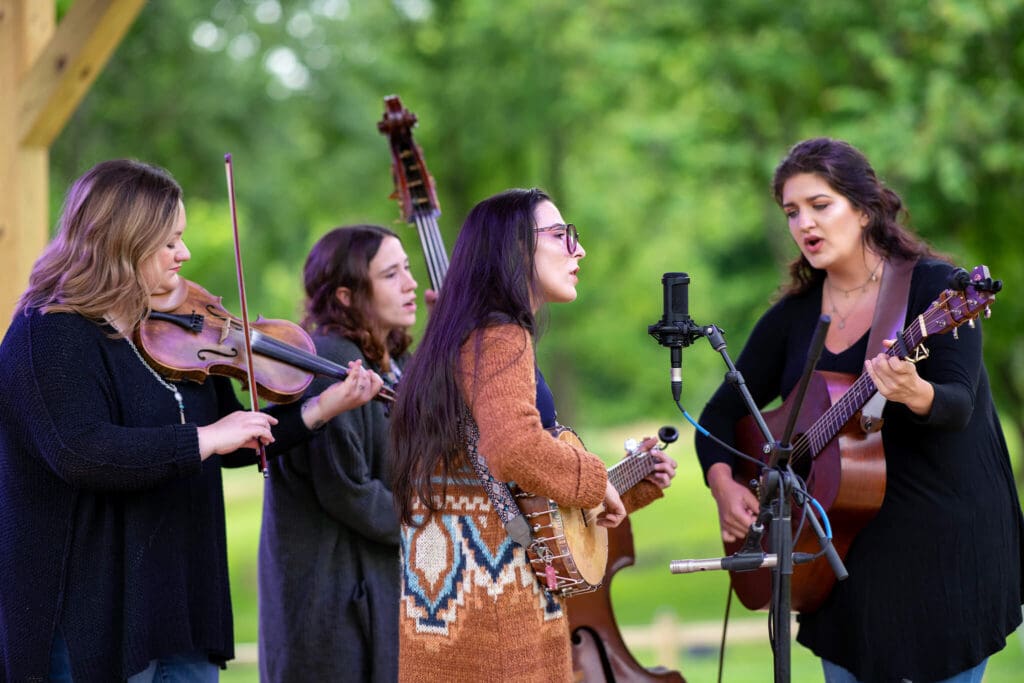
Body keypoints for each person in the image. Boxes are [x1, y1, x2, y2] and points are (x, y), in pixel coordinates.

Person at [0, 159, 383, 683]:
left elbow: (233, 436)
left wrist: (321, 408)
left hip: (179, 601)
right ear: (119, 240)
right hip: (92, 613)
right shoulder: (47, 332)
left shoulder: (171, 328)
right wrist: (204, 438)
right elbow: (81, 452)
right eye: (167, 242)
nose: (183, 253)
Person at [695, 137, 1024, 683]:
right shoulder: (792, 318)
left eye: (820, 206)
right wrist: (723, 483)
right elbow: (718, 417)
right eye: (792, 213)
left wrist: (912, 391)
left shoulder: (938, 292)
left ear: (865, 208)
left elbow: (958, 404)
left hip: (941, 550)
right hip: (840, 553)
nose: (804, 224)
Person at [389, 187, 678, 682]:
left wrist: (626, 484)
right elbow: (514, 448)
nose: (578, 250)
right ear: (517, 247)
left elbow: (508, 492)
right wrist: (593, 480)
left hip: (446, 619)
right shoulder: (500, 336)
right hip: (499, 620)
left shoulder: (454, 341)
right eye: (562, 235)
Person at [258, 225, 420, 682]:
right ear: (346, 296)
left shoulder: (394, 363)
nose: (410, 283)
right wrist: (434, 522)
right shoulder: (330, 364)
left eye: (406, 268)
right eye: (391, 274)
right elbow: (349, 490)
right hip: (330, 604)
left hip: (371, 590)